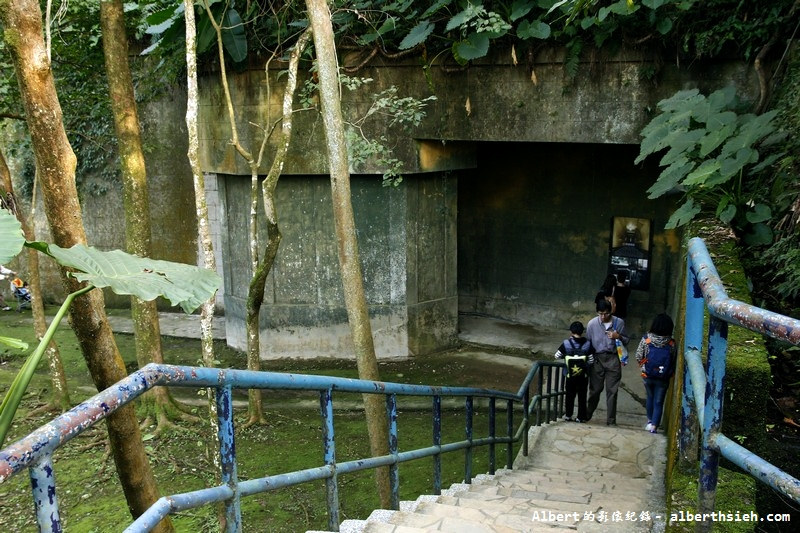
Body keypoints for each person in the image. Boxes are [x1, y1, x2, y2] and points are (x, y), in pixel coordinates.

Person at [585, 299, 629, 426]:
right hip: (597, 359)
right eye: (600, 314)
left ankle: (611, 420)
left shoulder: (619, 323)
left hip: (613, 358)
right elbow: (587, 343)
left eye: (606, 314)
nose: (603, 317)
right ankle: (587, 414)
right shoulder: (592, 324)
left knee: (612, 391)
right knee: (595, 390)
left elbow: (627, 340)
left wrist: (618, 336)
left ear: (611, 311)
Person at [636, 313, 676, 434]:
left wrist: (644, 365)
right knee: (659, 401)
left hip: (647, 375)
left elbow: (638, 355)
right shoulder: (671, 343)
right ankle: (654, 426)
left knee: (650, 397)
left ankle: (649, 421)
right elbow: (673, 359)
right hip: (663, 377)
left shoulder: (646, 339)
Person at [554, 321, 594, 422]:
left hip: (569, 376)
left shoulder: (566, 344)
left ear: (571, 332)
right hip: (583, 377)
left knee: (569, 395)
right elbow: (591, 360)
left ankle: (568, 415)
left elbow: (556, 355)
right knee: (582, 396)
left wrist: (567, 356)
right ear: (582, 331)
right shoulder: (588, 344)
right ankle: (580, 417)